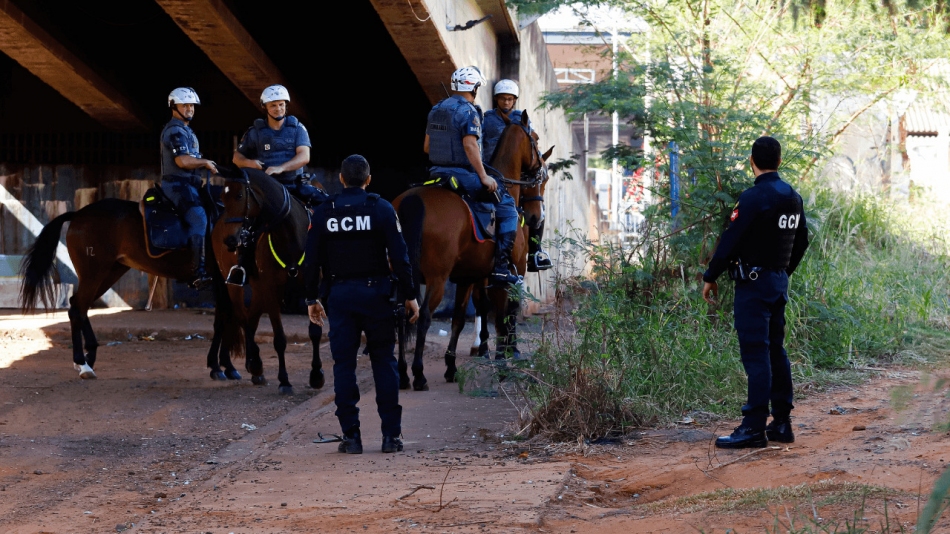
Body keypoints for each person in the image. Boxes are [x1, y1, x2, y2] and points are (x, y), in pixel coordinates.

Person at [304, 154, 421, 455]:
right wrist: (410, 294)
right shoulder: (380, 208)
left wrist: (311, 299)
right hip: (377, 296)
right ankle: (390, 437)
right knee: (384, 362)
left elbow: (311, 260)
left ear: (341, 179)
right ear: (369, 180)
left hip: (340, 297)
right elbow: (400, 257)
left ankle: (351, 438)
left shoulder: (324, 211)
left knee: (344, 365)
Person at [702, 136, 809, 449]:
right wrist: (782, 271)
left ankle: (753, 427)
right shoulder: (793, 197)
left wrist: (711, 275)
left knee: (756, 352)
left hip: (753, 285)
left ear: (752, 161)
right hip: (777, 282)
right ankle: (782, 423)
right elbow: (802, 240)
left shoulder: (752, 197)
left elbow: (731, 239)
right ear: (779, 161)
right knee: (775, 349)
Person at [424, 67, 521, 286]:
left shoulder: (436, 109)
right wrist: (484, 176)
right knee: (507, 206)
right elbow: (470, 145)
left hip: (436, 173)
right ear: (474, 88)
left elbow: (427, 147)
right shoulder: (469, 111)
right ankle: (501, 270)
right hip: (462, 175)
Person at [481, 79, 552, 272]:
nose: (506, 102)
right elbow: (479, 144)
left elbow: (532, 145)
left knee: (537, 206)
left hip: (519, 174)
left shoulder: (523, 119)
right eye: (503, 99)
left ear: (514, 100)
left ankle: (535, 253)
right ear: (496, 99)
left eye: (510, 99)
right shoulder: (487, 119)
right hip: (490, 171)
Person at [160, 87, 218, 289]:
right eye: (185, 105)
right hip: (177, 186)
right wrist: (204, 162)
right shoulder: (175, 131)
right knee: (198, 217)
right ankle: (197, 272)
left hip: (190, 185)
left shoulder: (186, 130)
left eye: (192, 105)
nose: (190, 109)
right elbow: (182, 161)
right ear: (173, 107)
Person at [233, 84, 327, 205]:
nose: (278, 109)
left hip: (295, 184)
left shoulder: (297, 128)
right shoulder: (255, 132)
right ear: (264, 106)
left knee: (324, 204)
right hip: (265, 185)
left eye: (281, 104)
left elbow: (304, 156)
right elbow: (236, 158)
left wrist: (281, 168)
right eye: (273, 105)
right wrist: (250, 163)